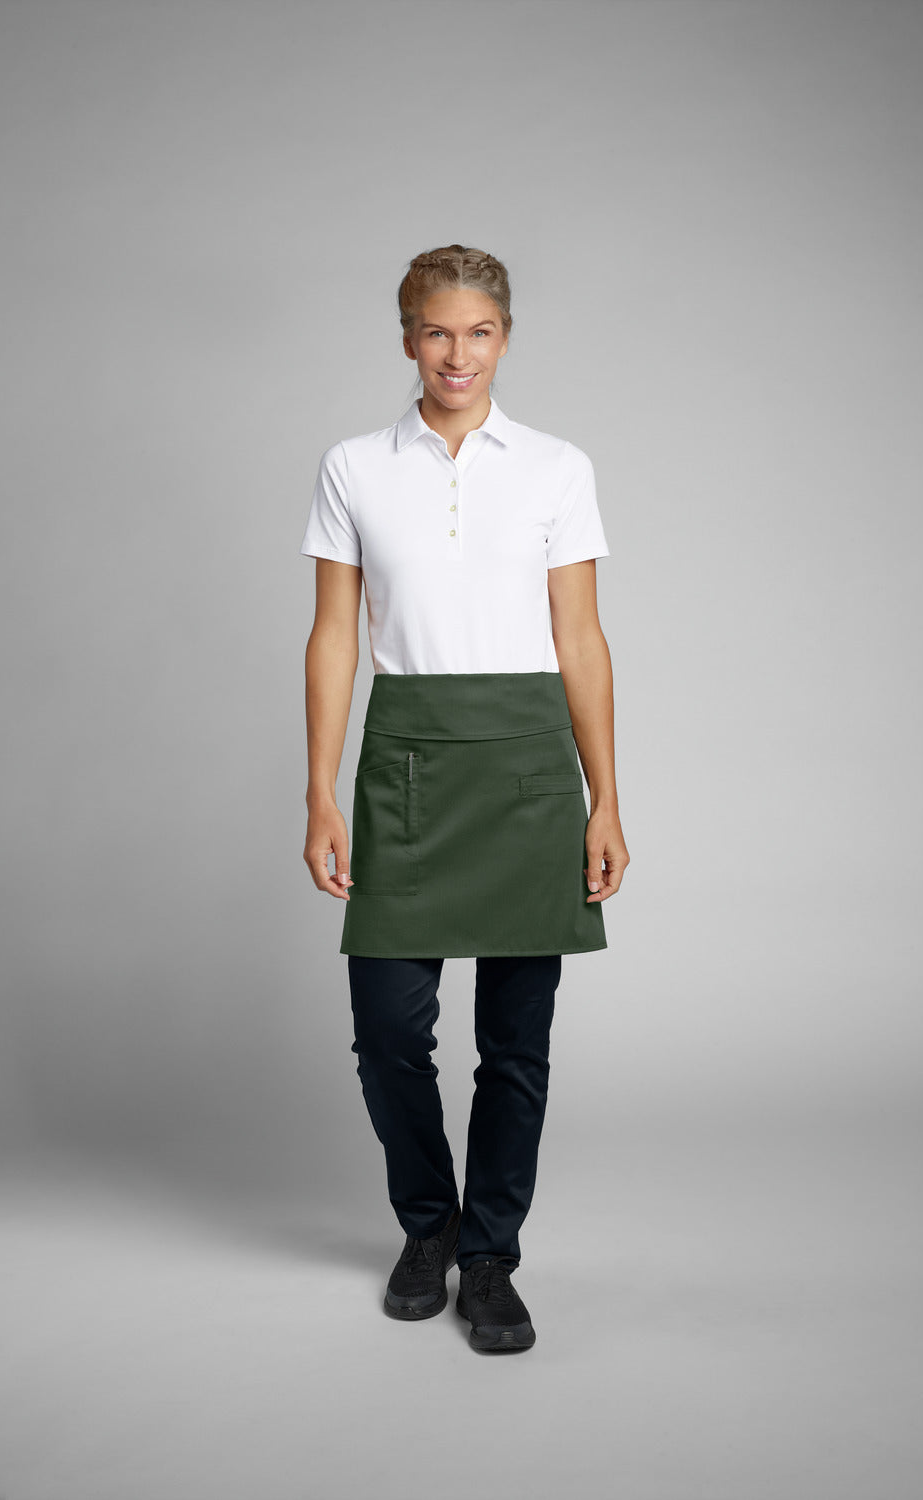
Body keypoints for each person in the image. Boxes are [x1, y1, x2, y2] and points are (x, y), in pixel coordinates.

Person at [300, 244, 628, 1355]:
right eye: (436, 331)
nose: (457, 353)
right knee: (388, 1032)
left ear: (504, 338)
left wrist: (604, 798)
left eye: (478, 332)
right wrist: (319, 790)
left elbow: (580, 638)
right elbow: (334, 635)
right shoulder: (353, 466)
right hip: (404, 762)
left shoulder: (556, 467)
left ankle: (488, 1256)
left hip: (529, 768)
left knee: (514, 1043)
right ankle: (426, 1223)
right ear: (407, 337)